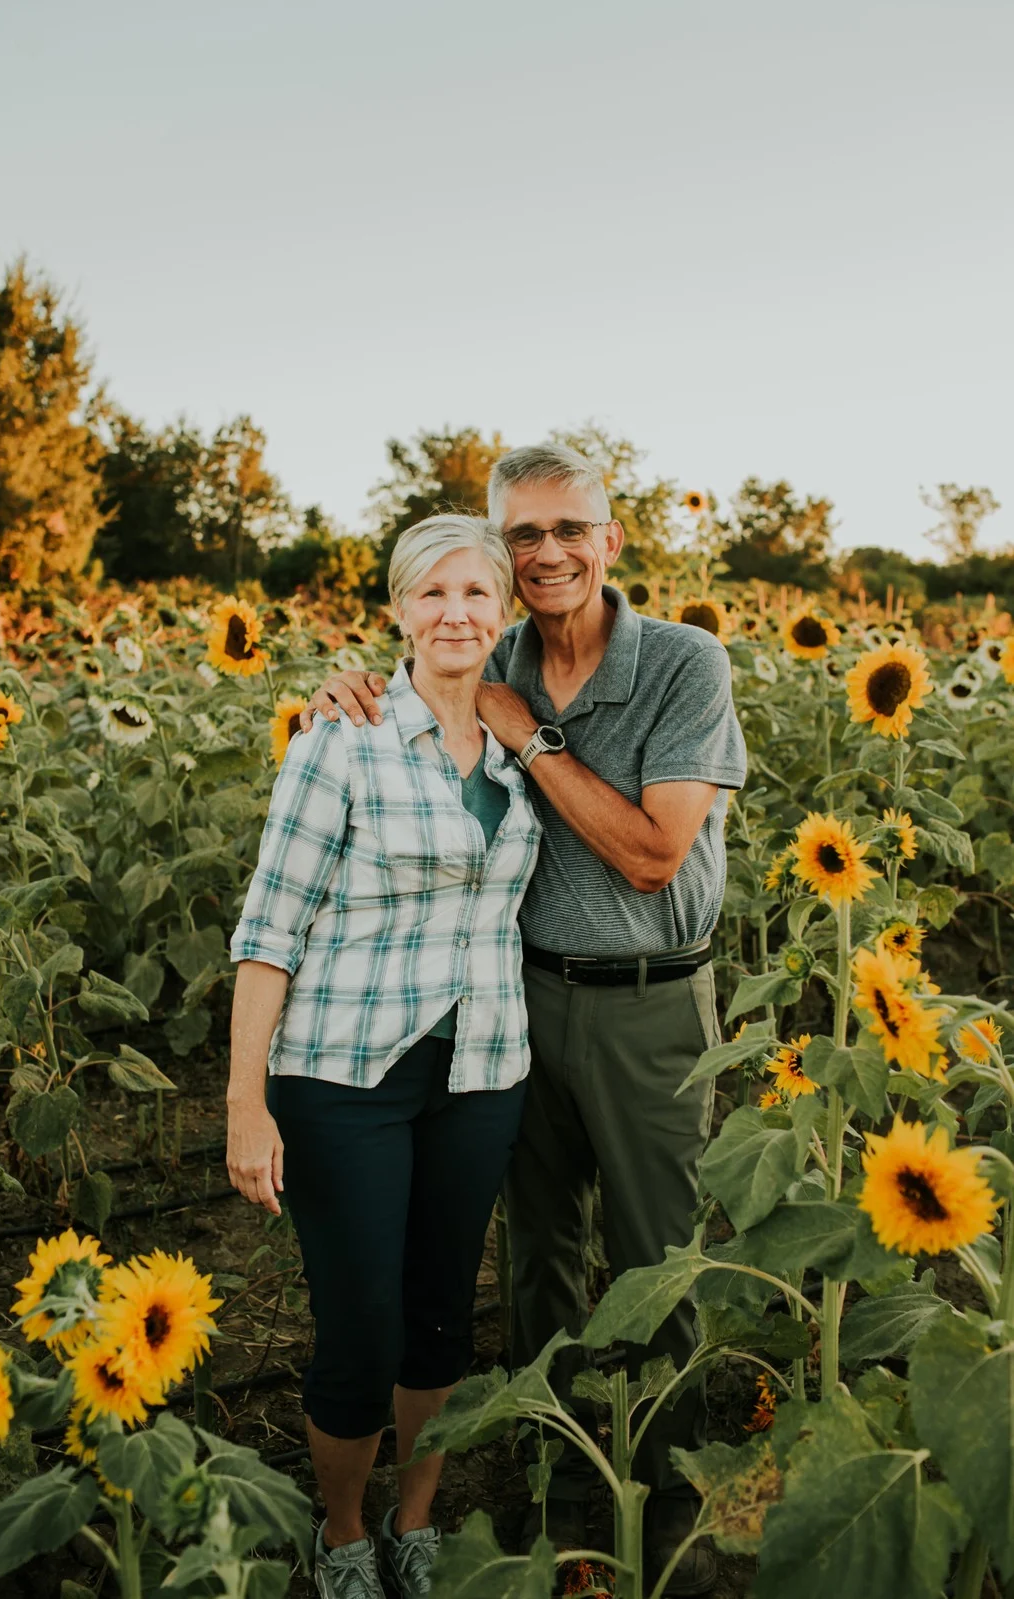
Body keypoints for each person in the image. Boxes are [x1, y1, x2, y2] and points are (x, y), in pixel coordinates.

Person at [300, 445, 747, 1598]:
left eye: (568, 529)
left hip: (651, 1001)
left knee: (658, 1255)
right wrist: (332, 689)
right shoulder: (488, 645)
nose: (547, 553)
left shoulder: (682, 664)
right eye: (524, 537)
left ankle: (665, 1497)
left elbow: (655, 856)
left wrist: (531, 737)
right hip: (515, 1002)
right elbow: (409, 681)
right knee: (536, 1251)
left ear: (609, 538)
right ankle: (559, 1473)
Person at [225, 514, 543, 1599]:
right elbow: (269, 930)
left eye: (475, 594)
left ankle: (416, 1519)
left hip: (480, 1069)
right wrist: (244, 1105)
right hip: (342, 1076)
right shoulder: (339, 740)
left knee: (444, 1313)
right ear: (398, 612)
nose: (456, 614)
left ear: (503, 611)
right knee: (360, 1328)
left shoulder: (518, 744)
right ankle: (347, 1534)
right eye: (432, 594)